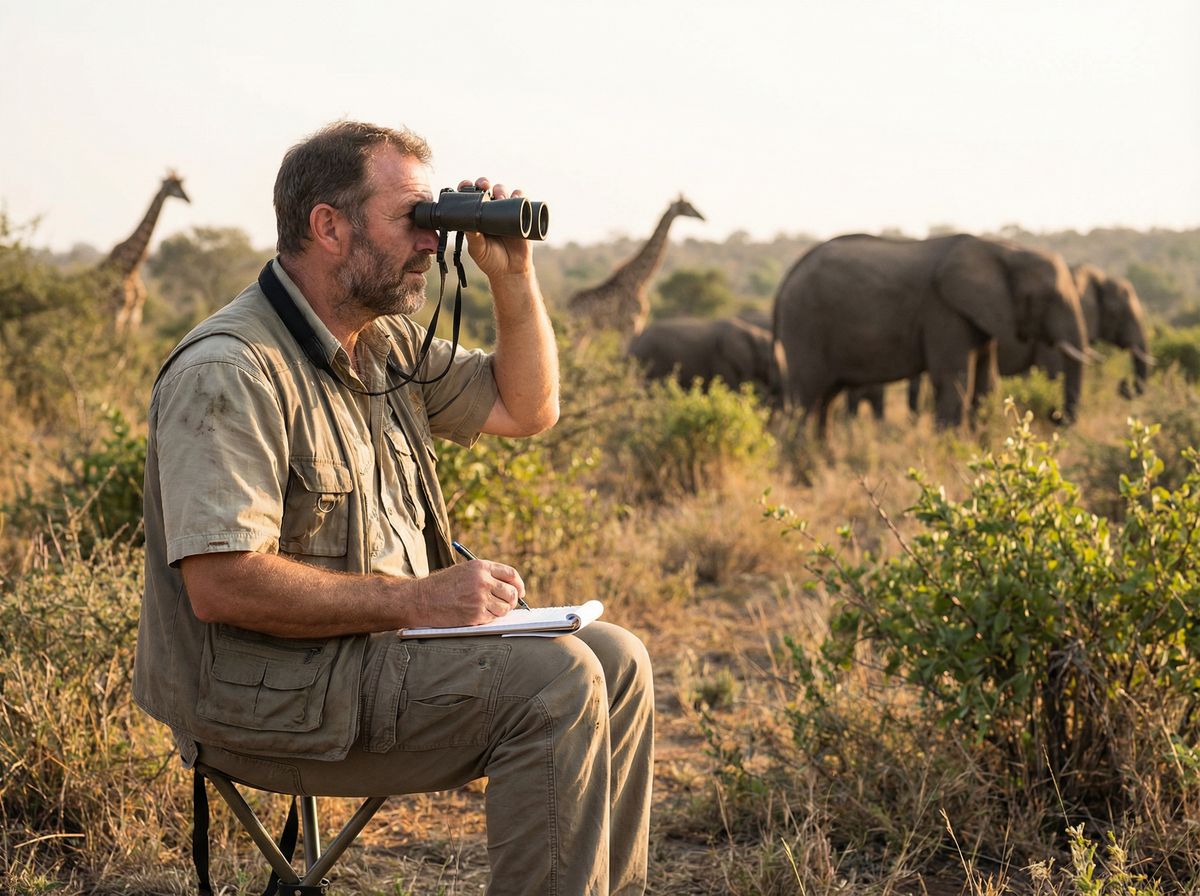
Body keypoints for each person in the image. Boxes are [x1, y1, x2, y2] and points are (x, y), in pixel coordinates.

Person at [133, 120, 654, 895]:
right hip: (265, 695)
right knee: (557, 682)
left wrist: (512, 274)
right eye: (414, 217)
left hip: (369, 660)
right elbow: (222, 585)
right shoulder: (232, 370)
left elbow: (527, 406)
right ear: (329, 226)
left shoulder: (382, 345)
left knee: (619, 661)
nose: (430, 240)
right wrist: (422, 598)